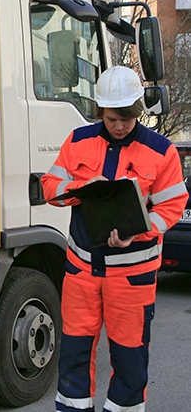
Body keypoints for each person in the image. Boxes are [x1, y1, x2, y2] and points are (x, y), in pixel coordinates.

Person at [42, 66, 188, 412]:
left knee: (130, 360)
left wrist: (138, 232)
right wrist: (82, 188)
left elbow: (172, 206)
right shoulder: (78, 141)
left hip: (132, 276)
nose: (119, 126)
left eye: (126, 118)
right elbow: (50, 188)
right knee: (74, 355)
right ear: (100, 111)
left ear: (138, 110)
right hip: (81, 271)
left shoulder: (161, 151)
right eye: (111, 119)